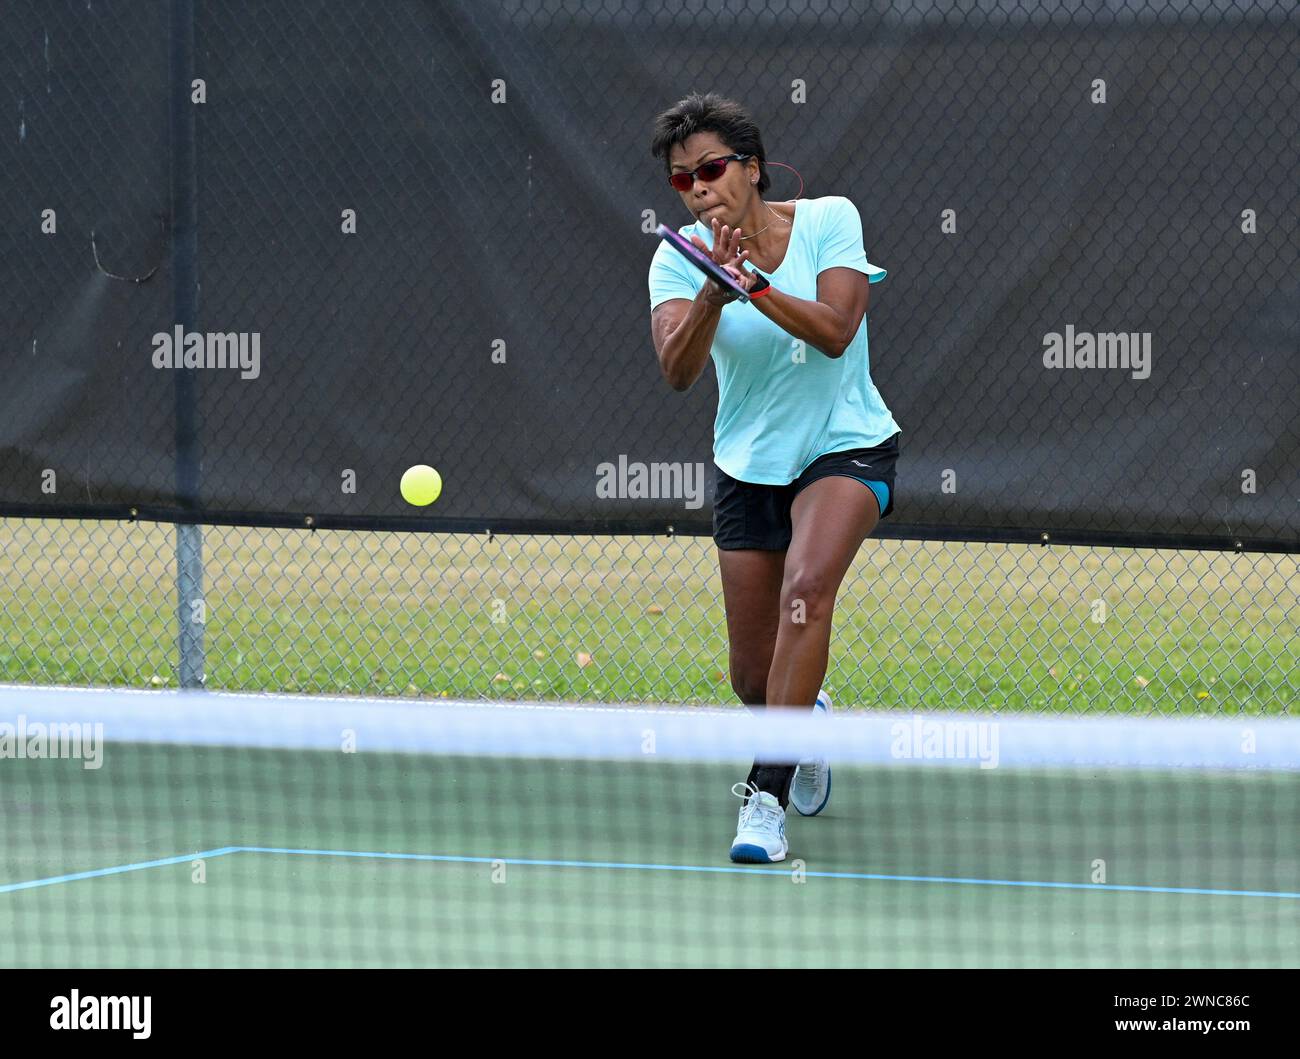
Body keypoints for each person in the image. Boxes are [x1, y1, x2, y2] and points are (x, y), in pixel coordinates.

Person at [647, 92, 900, 864]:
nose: (699, 187)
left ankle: (765, 794)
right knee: (752, 677)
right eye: (683, 180)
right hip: (747, 466)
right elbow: (677, 372)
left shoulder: (829, 220)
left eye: (713, 168)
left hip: (845, 446)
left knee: (807, 588)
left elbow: (835, 331)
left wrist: (753, 283)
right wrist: (710, 296)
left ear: (753, 169)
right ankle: (803, 720)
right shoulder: (676, 259)